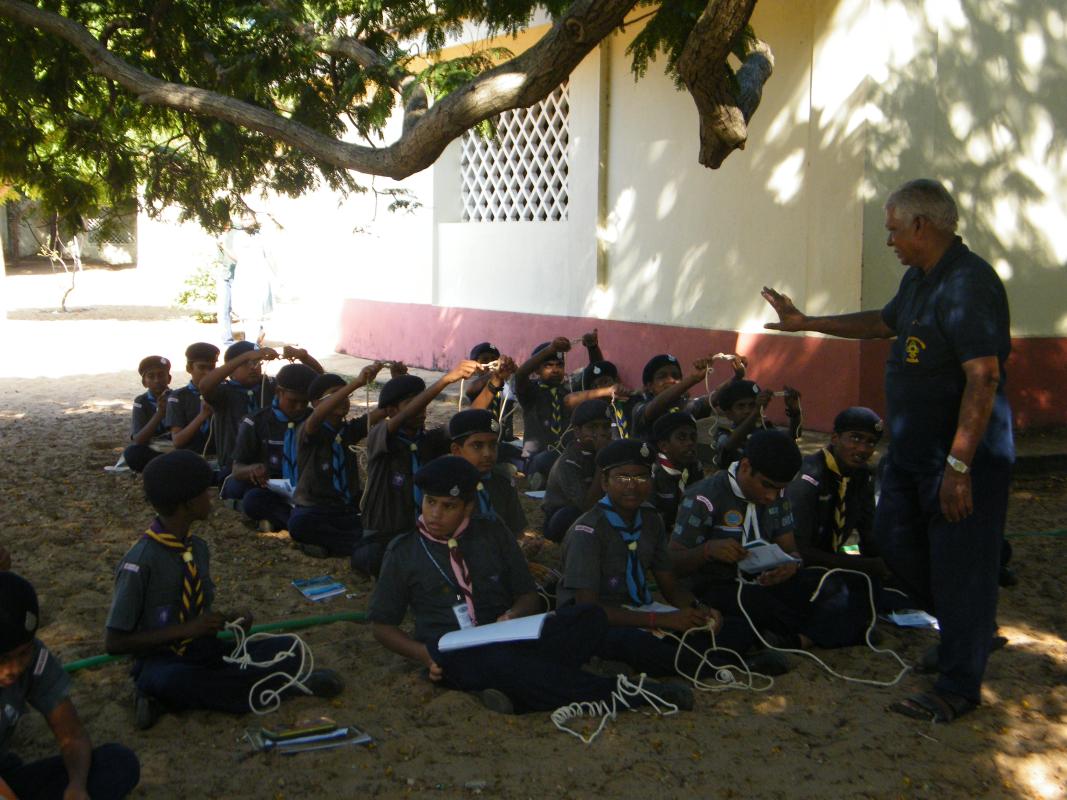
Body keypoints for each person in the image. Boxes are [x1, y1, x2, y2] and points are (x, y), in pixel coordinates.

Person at [761, 178, 1014, 723]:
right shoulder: (920, 280)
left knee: (960, 565)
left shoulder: (970, 285)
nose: (889, 240)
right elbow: (881, 323)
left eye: (894, 229)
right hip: (911, 455)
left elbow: (985, 378)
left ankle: (957, 684)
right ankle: (968, 630)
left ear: (923, 225)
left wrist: (959, 466)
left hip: (960, 460)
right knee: (898, 546)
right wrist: (807, 324)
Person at [368, 456, 692, 714]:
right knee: (517, 668)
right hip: (453, 650)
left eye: (448, 506)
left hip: (508, 634)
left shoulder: (491, 532)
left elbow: (528, 595)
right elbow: (383, 625)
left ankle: (517, 692)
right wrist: (424, 655)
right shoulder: (404, 550)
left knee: (587, 618)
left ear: (468, 506)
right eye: (430, 503)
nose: (435, 514)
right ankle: (631, 695)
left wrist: (513, 615)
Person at [104, 451, 344, 729]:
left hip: (203, 650)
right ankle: (287, 688)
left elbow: (197, 615)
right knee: (177, 680)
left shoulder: (197, 549)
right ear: (186, 504)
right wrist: (187, 630)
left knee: (289, 649)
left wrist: (227, 619)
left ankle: (203, 694)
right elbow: (115, 643)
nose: (210, 498)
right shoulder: (140, 562)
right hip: (164, 661)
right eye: (204, 492)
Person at [556, 440, 782, 679]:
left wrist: (699, 611)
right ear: (604, 482)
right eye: (622, 477)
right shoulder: (588, 531)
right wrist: (662, 619)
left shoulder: (650, 520)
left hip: (639, 610)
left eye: (642, 477)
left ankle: (677, 662)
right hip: (594, 622)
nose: (632, 486)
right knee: (635, 643)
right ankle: (724, 667)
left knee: (732, 626)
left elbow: (671, 588)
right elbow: (588, 610)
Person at [671, 430, 872, 651]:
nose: (771, 497)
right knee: (761, 606)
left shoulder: (778, 497)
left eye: (780, 489)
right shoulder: (704, 497)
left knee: (842, 584)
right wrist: (707, 551)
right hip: (718, 585)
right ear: (746, 467)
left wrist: (790, 565)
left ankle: (799, 640)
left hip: (765, 582)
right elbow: (673, 565)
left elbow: (791, 550)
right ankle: (823, 632)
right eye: (766, 485)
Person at [1, 572, 140, 800]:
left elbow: (72, 735)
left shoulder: (36, 659)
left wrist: (77, 786)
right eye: (3, 658)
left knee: (117, 763)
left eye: (23, 654)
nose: (14, 668)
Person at [359, 363, 481, 575]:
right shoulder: (380, 437)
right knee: (372, 557)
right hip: (384, 534)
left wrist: (495, 384)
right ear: (391, 410)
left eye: (422, 404)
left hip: (421, 531)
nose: (421, 410)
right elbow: (401, 419)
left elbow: (468, 420)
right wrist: (445, 381)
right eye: (412, 404)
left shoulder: (426, 442)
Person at [288, 365, 388, 558]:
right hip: (316, 509)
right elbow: (316, 417)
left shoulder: (348, 430)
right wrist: (356, 383)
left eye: (345, 395)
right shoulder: (309, 430)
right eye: (336, 394)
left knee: (378, 518)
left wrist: (396, 380)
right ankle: (357, 545)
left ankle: (336, 546)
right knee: (300, 524)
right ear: (316, 402)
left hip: (346, 508)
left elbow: (385, 410)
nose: (343, 399)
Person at [785, 407, 888, 579]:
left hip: (833, 560)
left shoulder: (862, 476)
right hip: (798, 566)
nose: (863, 449)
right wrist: (862, 566)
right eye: (855, 438)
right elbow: (798, 549)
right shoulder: (809, 477)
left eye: (871, 442)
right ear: (834, 438)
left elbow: (868, 533)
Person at [513, 332, 621, 487]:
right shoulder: (530, 393)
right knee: (547, 460)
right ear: (536, 370)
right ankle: (542, 478)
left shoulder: (570, 388)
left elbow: (597, 371)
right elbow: (520, 375)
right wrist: (551, 349)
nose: (555, 370)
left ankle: (552, 479)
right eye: (548, 365)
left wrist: (592, 347)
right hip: (538, 457)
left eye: (559, 365)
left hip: (570, 453)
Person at [201, 342, 324, 477]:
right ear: (231, 368)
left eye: (258, 363)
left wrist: (303, 356)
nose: (253, 367)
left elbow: (320, 382)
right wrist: (246, 356)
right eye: (245, 364)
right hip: (235, 465)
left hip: (276, 462)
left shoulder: (271, 385)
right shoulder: (223, 391)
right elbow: (205, 386)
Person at [228, 363, 319, 533]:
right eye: (293, 401)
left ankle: (288, 521)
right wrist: (253, 469)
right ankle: (297, 523)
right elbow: (237, 469)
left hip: (307, 487)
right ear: (278, 392)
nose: (299, 407)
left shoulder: (312, 420)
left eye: (304, 401)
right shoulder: (255, 422)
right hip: (273, 488)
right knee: (253, 500)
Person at [447, 409, 536, 545]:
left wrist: (525, 544)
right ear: (456, 450)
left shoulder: (502, 482)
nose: (487, 453)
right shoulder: (445, 486)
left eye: (493, 445)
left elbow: (516, 532)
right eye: (477, 446)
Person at [541, 400, 614, 543]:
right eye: (592, 428)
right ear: (577, 431)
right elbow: (588, 506)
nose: (600, 433)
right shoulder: (568, 462)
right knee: (569, 515)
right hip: (564, 516)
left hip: (597, 510)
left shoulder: (606, 451)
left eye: (605, 427)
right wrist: (602, 461)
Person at [629, 353, 745, 439]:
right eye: (662, 376)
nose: (671, 380)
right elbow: (659, 404)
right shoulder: (639, 407)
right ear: (649, 386)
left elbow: (713, 398)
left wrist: (737, 377)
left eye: (675, 376)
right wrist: (693, 379)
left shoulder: (684, 406)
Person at [713, 380, 802, 470]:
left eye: (752, 405)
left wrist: (794, 412)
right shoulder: (723, 434)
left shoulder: (765, 431)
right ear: (729, 414)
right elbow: (729, 446)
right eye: (741, 406)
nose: (747, 411)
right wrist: (756, 411)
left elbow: (792, 435)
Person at [462, 344, 523, 466]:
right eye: (485, 360)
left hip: (505, 440)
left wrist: (516, 370)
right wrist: (494, 374)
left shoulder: (507, 386)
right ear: (476, 366)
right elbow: (470, 390)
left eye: (494, 359)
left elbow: (523, 387)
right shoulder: (477, 385)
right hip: (484, 443)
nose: (491, 363)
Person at [650, 411, 705, 530]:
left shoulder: (695, 467)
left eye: (693, 437)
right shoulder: (653, 473)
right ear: (664, 446)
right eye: (682, 438)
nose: (690, 443)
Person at [164, 342, 219, 458]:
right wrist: (203, 415)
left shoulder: (223, 392)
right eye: (202, 367)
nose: (208, 373)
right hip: (191, 455)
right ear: (189, 368)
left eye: (212, 368)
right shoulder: (178, 397)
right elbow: (178, 441)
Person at [122, 355, 173, 473]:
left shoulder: (178, 398)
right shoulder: (141, 402)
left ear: (169, 378)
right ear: (144, 382)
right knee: (132, 453)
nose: (157, 380)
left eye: (161, 375)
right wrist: (160, 413)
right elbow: (139, 439)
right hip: (154, 448)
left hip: (177, 446)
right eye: (151, 376)